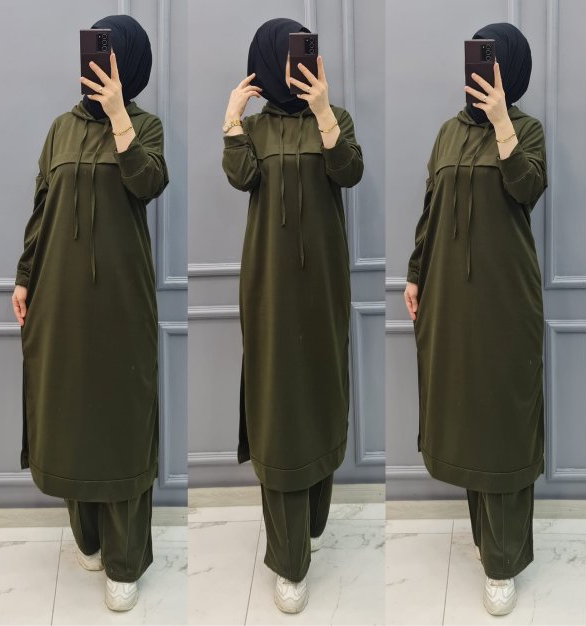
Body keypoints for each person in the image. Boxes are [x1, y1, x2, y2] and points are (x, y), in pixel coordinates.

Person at [11, 15, 168, 612]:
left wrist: (120, 115)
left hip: (122, 304)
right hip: (60, 300)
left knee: (123, 421)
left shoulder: (146, 126)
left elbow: (148, 183)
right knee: (72, 413)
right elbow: (41, 208)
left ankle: (126, 561)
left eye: (111, 56)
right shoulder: (60, 130)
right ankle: (90, 538)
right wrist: (24, 277)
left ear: (130, 65)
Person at [403, 23, 546, 616]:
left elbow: (528, 188)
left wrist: (503, 122)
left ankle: (504, 561)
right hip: (451, 301)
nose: (480, 74)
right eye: (475, 61)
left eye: (492, 63)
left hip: (506, 301)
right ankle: (488, 542)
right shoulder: (447, 134)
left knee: (503, 425)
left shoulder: (527, 130)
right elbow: (430, 209)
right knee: (468, 418)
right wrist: (415, 273)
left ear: (511, 71)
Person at [221, 17, 363, 614]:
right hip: (269, 290)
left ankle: (312, 520)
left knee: (320, 394)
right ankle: (288, 558)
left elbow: (349, 171)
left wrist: (324, 111)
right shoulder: (254, 129)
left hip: (323, 288)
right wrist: (231, 120)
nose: (293, 65)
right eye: (283, 55)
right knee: (278, 407)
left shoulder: (335, 118)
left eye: (301, 53)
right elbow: (241, 178)